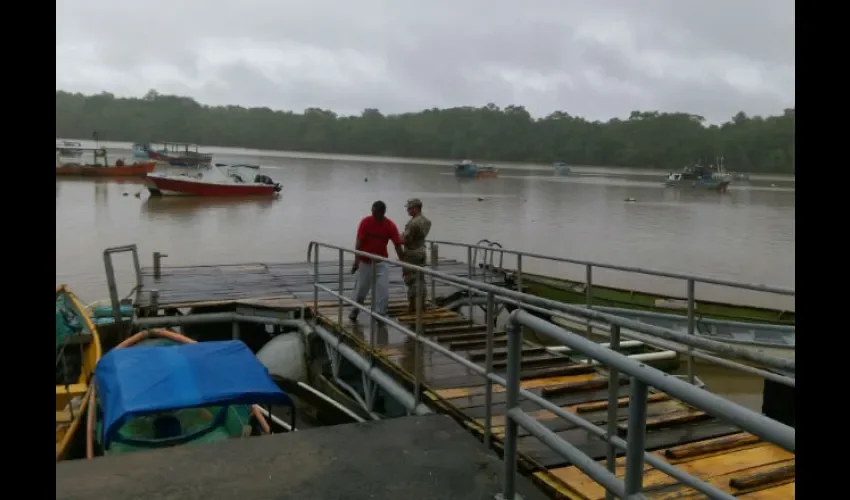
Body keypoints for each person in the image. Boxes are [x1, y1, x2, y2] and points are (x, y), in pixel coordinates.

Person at [349, 201, 404, 322]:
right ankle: (355, 309)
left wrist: (404, 263)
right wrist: (356, 261)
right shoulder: (366, 222)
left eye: (375, 213)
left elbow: (397, 245)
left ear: (382, 213)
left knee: (383, 290)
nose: (373, 215)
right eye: (372, 212)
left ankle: (380, 315)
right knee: (361, 289)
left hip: (381, 262)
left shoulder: (390, 225)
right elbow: (358, 243)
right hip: (365, 261)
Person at [401, 198, 432, 313]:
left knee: (411, 279)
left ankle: (412, 306)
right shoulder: (426, 221)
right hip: (421, 251)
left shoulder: (413, 223)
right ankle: (422, 305)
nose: (408, 210)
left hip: (412, 253)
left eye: (409, 208)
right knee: (420, 279)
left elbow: (406, 239)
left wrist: (399, 237)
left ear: (416, 208)